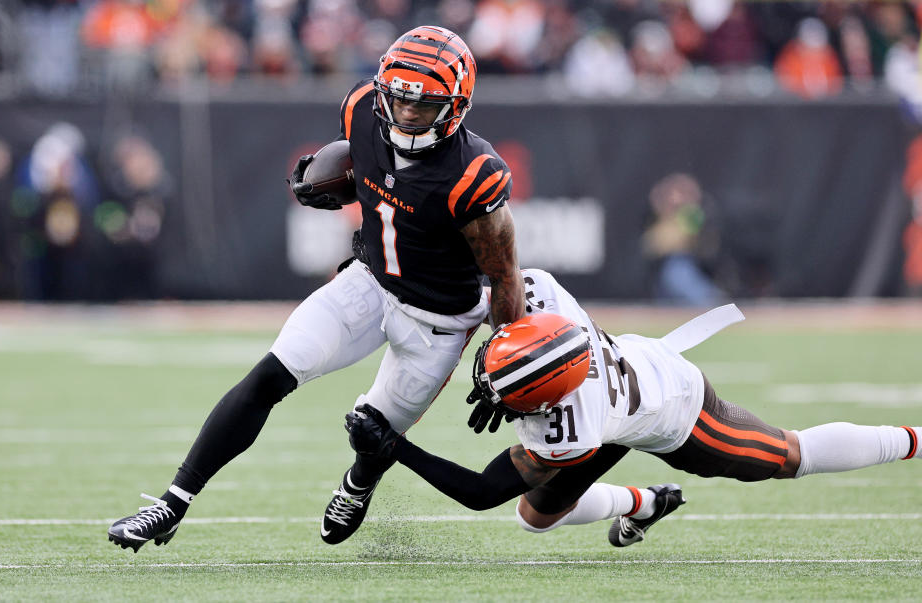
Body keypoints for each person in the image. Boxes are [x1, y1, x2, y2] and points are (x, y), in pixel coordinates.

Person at [107, 25, 526, 552]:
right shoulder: (359, 108)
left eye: (421, 107)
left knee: (372, 431)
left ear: (456, 107)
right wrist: (337, 180)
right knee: (270, 375)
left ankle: (359, 482)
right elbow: (371, 169)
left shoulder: (474, 174)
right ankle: (171, 504)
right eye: (395, 100)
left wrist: (505, 355)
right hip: (370, 282)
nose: (404, 115)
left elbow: (505, 275)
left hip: (437, 322)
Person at [345, 268, 921, 547]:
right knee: (536, 517)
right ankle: (643, 504)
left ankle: (912, 438)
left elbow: (478, 492)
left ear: (546, 404)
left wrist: (396, 448)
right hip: (622, 385)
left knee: (787, 455)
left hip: (675, 409)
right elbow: (488, 272)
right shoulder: (543, 295)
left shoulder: (571, 426)